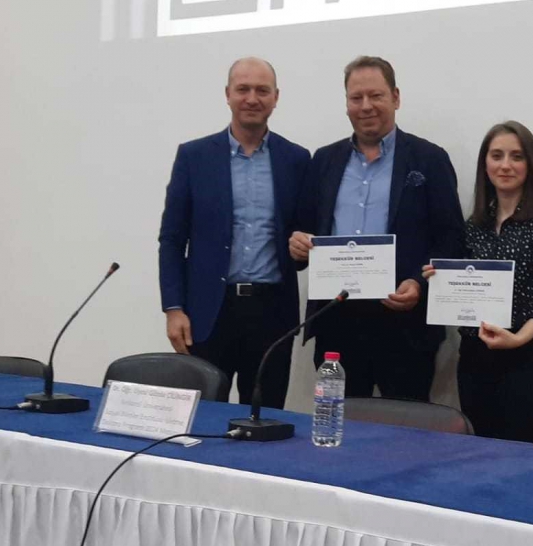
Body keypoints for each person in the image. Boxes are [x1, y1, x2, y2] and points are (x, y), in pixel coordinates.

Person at [289, 56, 464, 401]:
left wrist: (418, 284)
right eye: (356, 98)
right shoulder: (324, 161)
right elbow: (303, 229)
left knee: (404, 429)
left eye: (376, 95)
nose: (366, 106)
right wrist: (298, 244)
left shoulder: (429, 159)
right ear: (346, 104)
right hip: (337, 324)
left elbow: (452, 237)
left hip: (405, 327)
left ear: (395, 97)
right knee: (337, 422)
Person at [158, 57, 311, 408]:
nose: (252, 98)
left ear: (276, 97)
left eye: (262, 90)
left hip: (273, 313)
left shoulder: (296, 159)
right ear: (227, 94)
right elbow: (172, 239)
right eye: (243, 89)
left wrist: (303, 249)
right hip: (209, 312)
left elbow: (302, 241)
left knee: (265, 419)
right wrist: (173, 308)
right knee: (202, 419)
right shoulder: (194, 157)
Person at [425, 121, 533, 442]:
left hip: (524, 358)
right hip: (474, 358)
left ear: (531, 164)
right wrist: (439, 278)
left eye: (516, 157)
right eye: (497, 156)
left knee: (515, 454)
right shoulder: (474, 224)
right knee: (476, 452)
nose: (505, 165)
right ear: (485, 164)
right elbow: (462, 287)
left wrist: (518, 338)